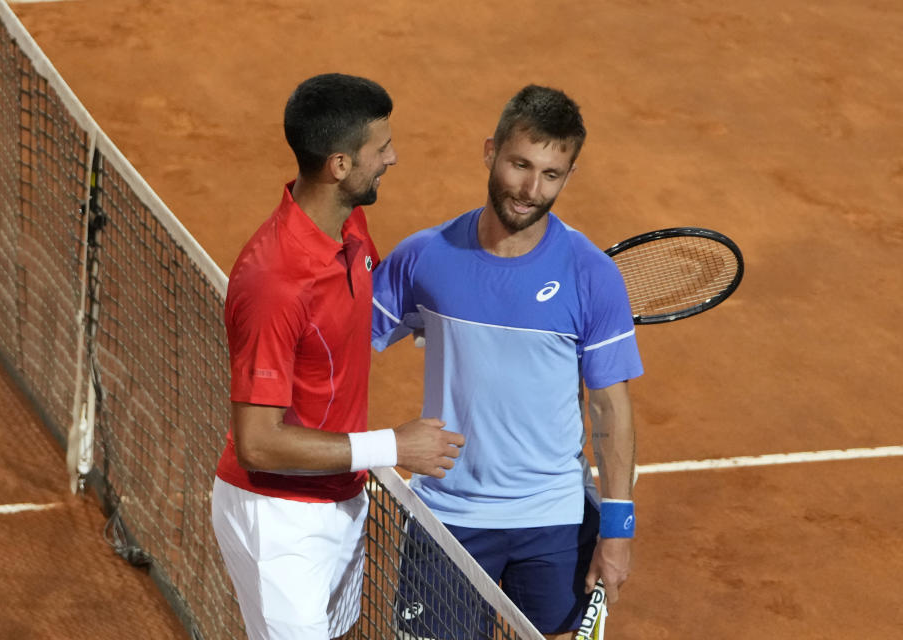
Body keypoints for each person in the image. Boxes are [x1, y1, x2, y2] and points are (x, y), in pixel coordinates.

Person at [371, 85, 643, 639]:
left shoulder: (591, 274)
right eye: (521, 164)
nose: (530, 189)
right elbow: (343, 348)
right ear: (490, 150)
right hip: (449, 517)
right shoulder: (425, 258)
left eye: (551, 174)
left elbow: (610, 411)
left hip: (553, 520)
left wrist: (617, 532)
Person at [211, 73, 465, 640]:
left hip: (343, 498)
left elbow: (349, 322)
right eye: (382, 148)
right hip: (279, 517)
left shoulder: (349, 224)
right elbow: (257, 441)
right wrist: (392, 447)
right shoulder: (274, 281)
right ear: (340, 165)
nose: (393, 158)